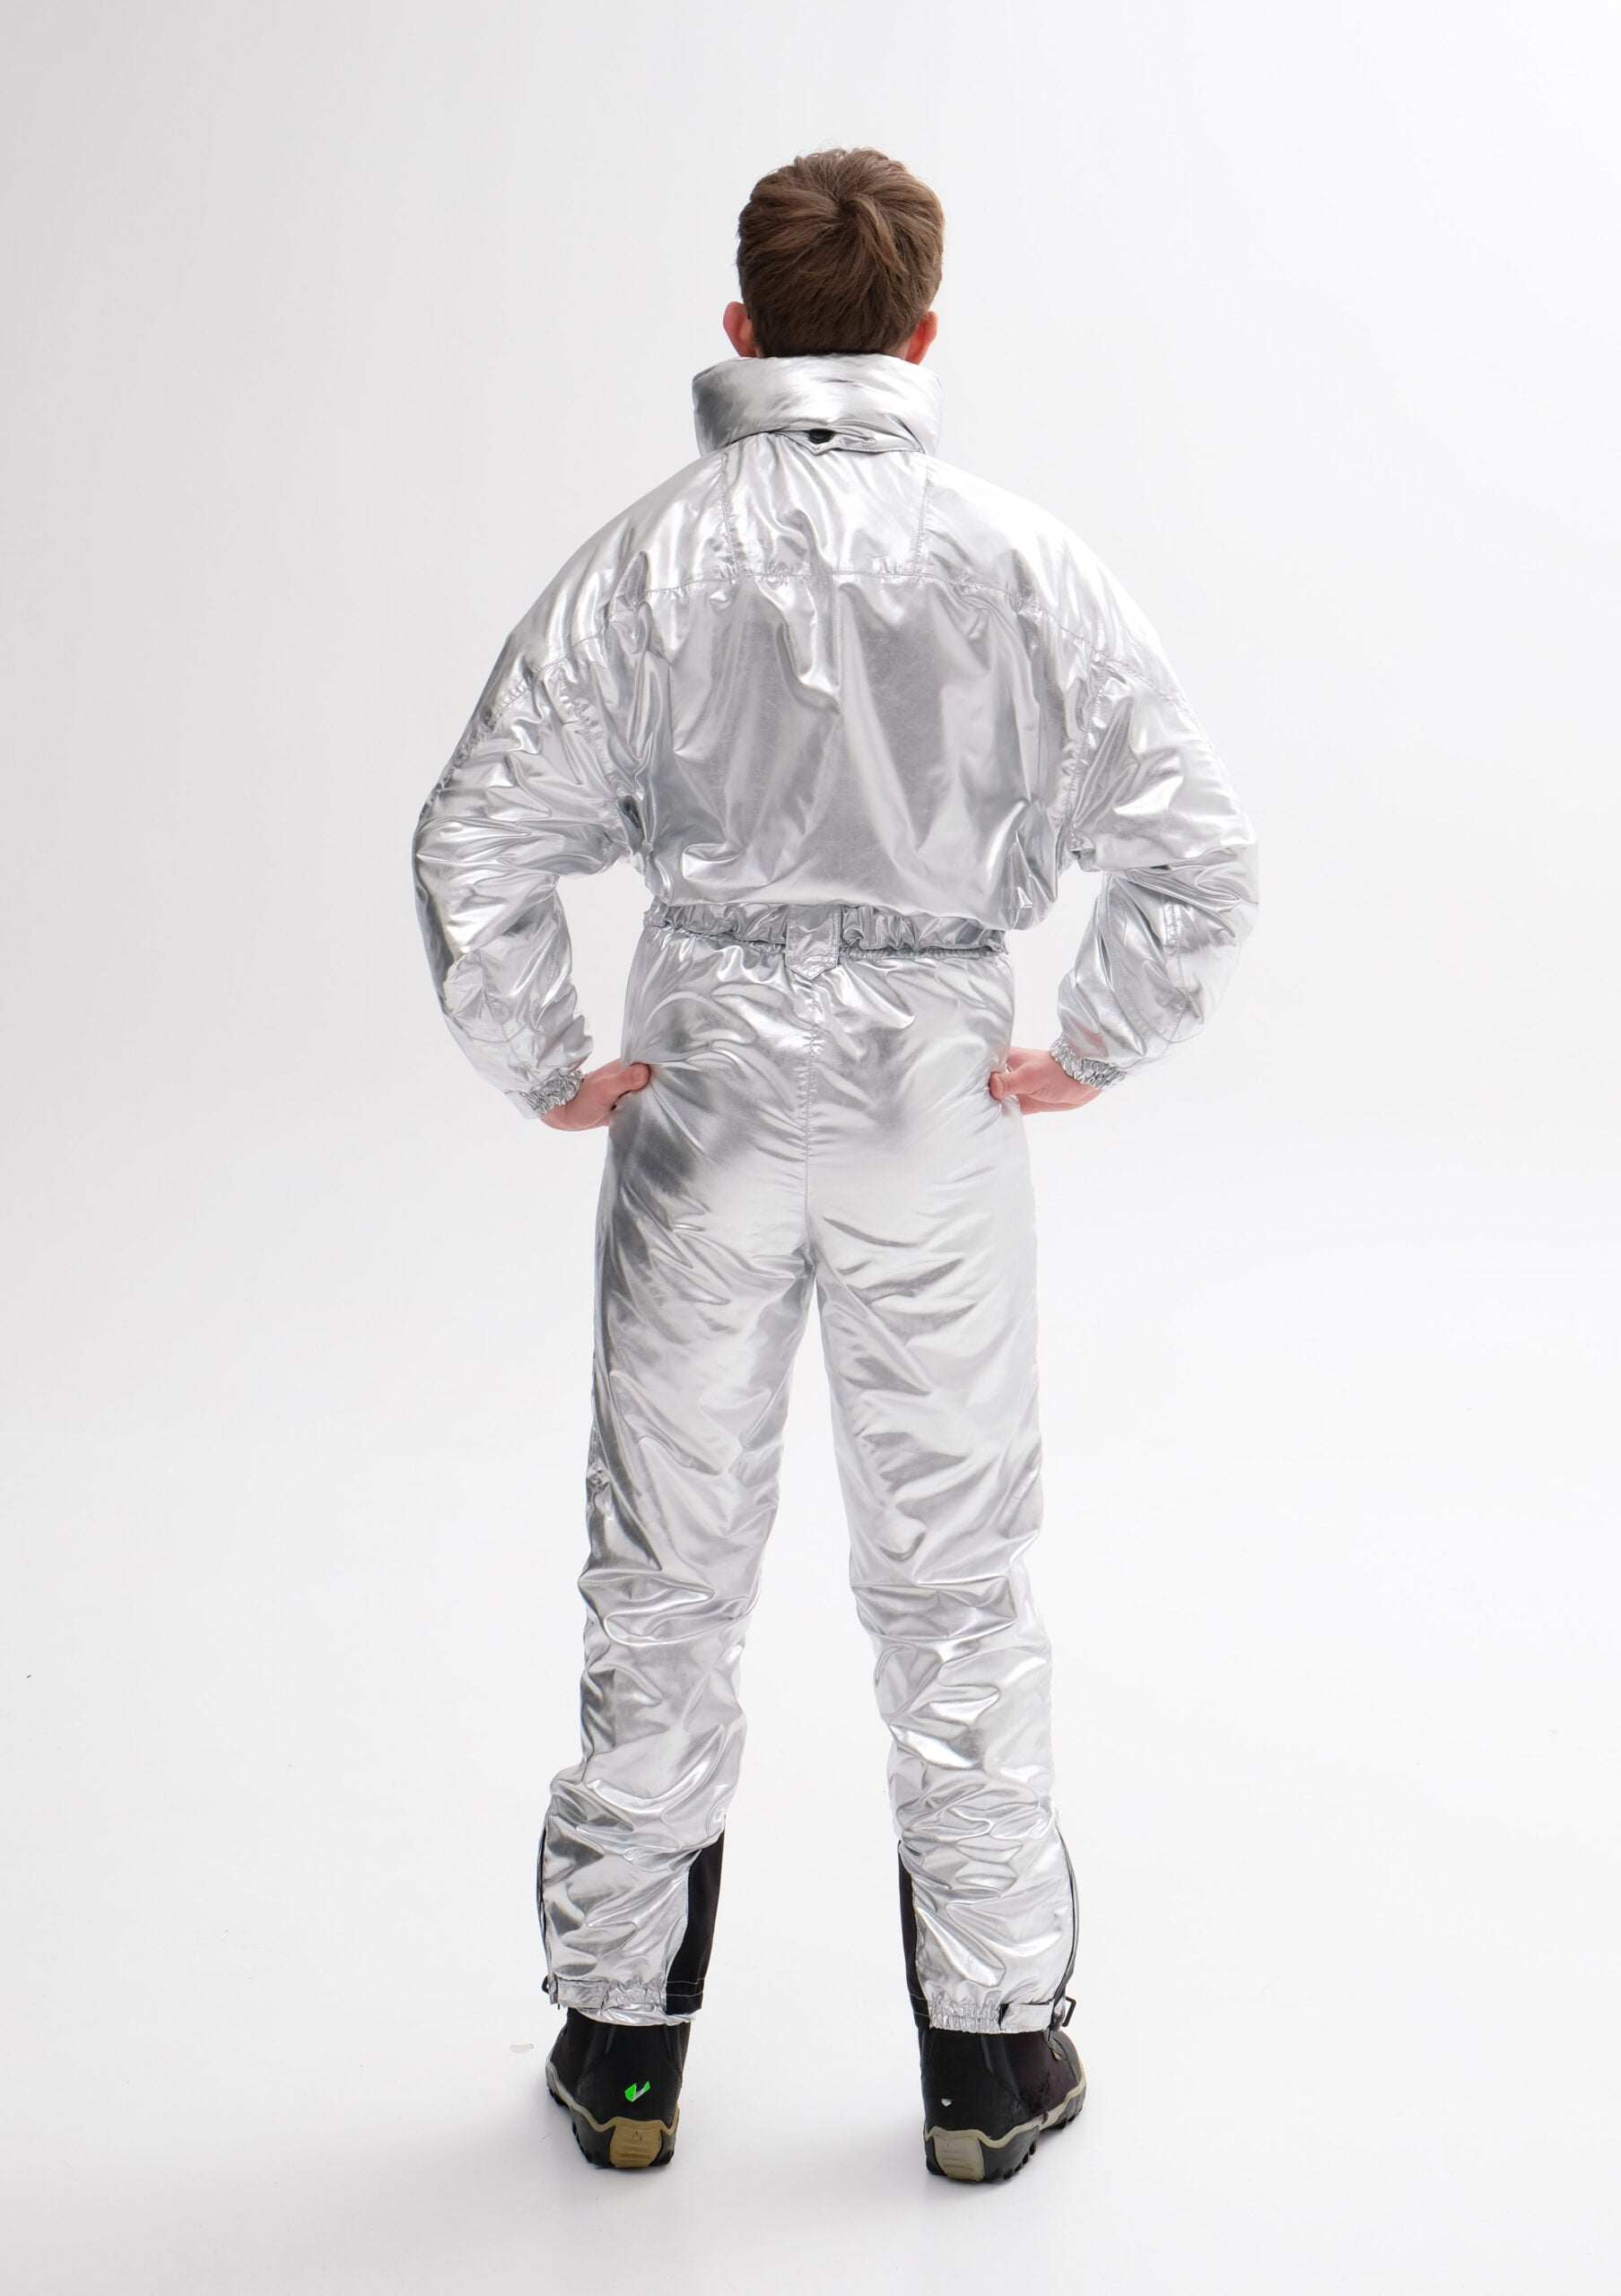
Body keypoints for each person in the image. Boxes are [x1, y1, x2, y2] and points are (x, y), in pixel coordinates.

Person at [412, 147, 1257, 2184]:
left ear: (741, 327)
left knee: (664, 1568)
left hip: (701, 1080)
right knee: (953, 1578)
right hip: (931, 1090)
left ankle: (622, 2051)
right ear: (923, 330)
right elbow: (1196, 853)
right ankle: (988, 2062)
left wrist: (546, 1059)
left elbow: (474, 835)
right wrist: (1091, 1040)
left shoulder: (643, 559)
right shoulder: (1021, 559)